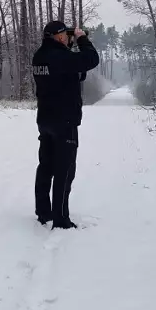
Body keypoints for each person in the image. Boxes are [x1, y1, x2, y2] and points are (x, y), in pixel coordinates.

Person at [32, 21, 100, 229]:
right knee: (65, 169)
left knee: (46, 166)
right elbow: (91, 59)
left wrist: (70, 48)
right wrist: (82, 39)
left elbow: (75, 73)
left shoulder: (39, 56)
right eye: (65, 34)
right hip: (65, 121)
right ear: (57, 36)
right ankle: (61, 218)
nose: (67, 37)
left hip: (45, 119)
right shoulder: (60, 57)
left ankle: (44, 211)